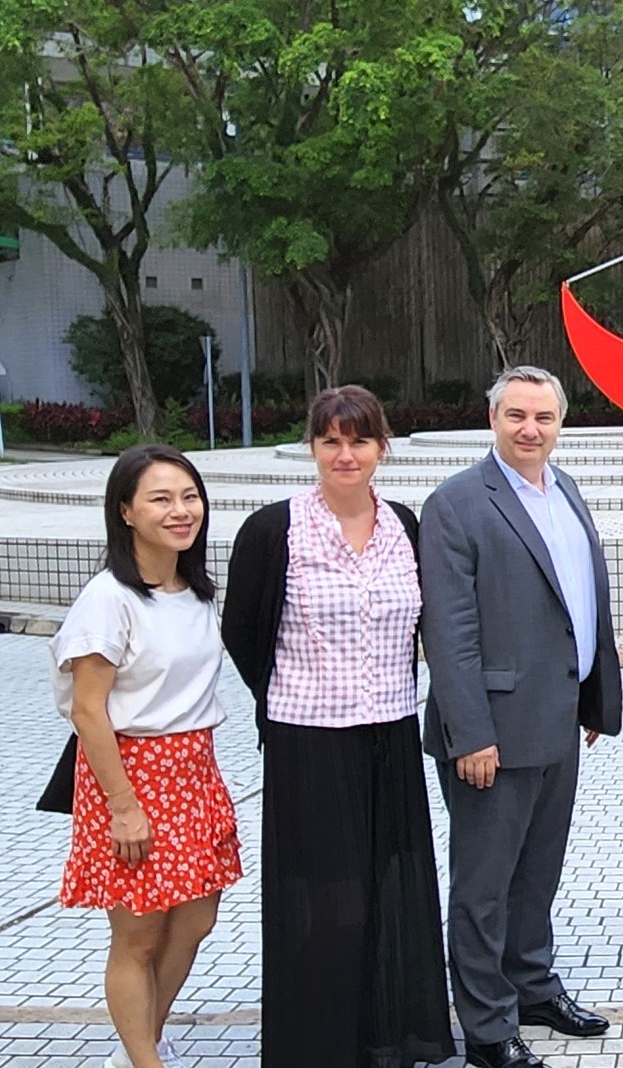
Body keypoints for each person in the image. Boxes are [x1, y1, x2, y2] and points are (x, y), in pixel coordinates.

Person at [219, 385, 456, 1068]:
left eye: (359, 439)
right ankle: (319, 1045)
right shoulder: (275, 529)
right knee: (325, 898)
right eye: (331, 440)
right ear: (312, 446)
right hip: (307, 740)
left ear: (382, 446)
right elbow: (241, 629)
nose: (345, 454)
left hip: (388, 733)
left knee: (389, 887)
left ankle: (385, 1035)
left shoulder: (405, 526)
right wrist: (284, 695)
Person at [421, 365, 623, 1068]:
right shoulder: (456, 502)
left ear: (560, 422)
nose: (530, 428)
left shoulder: (562, 487)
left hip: (557, 718)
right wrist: (469, 731)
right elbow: (449, 632)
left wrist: (593, 696)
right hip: (493, 734)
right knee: (483, 885)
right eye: (516, 415)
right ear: (493, 419)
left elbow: (578, 604)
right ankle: (486, 1025)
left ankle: (532, 985)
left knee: (538, 871)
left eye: (543, 416)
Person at [51, 444, 241, 1068]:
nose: (181, 511)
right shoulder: (108, 599)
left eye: (189, 496)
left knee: (194, 922)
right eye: (160, 498)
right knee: (137, 934)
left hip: (194, 771)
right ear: (126, 512)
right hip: (133, 776)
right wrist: (123, 807)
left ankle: (143, 1043)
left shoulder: (195, 591)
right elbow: (87, 710)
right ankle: (144, 1060)